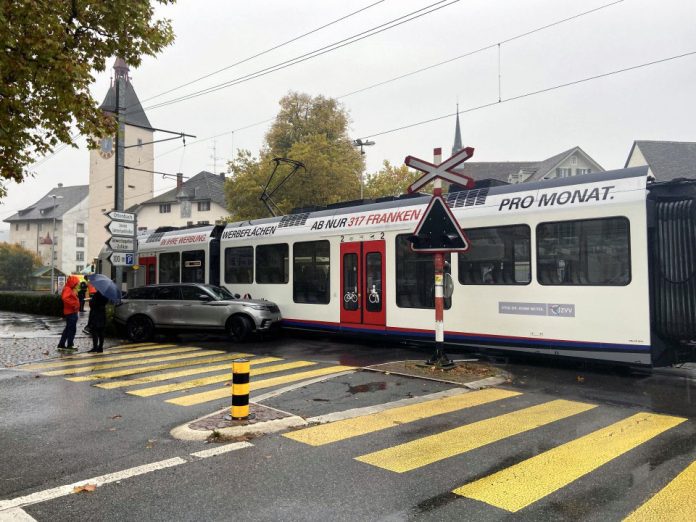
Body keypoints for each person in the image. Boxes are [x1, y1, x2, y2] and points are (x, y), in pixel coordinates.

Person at [57, 275, 80, 352]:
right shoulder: (68, 289)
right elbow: (65, 298)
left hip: (71, 312)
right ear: (73, 283)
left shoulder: (69, 289)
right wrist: (74, 304)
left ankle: (61, 344)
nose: (77, 284)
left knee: (68, 329)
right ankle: (69, 345)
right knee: (71, 329)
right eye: (76, 283)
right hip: (71, 312)